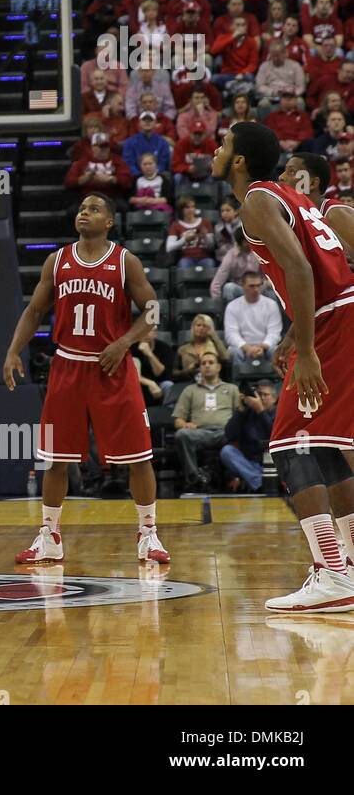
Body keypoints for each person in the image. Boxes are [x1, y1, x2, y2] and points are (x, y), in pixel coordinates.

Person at [210, 121, 354, 611]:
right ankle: (349, 566)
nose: (216, 149)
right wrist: (296, 335)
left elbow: (299, 268)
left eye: (224, 144)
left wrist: (309, 349)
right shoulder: (288, 197)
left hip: (335, 323)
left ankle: (332, 572)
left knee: (289, 446)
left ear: (241, 160)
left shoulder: (254, 199)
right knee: (327, 447)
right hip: (338, 315)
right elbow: (320, 270)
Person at [3, 193, 170, 565]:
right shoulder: (57, 259)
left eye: (94, 209)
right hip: (68, 366)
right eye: (81, 208)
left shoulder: (125, 260)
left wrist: (125, 341)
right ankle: (50, 536)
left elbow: (154, 309)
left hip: (113, 367)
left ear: (109, 221)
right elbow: (34, 311)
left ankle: (148, 534)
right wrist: (14, 350)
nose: (84, 213)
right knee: (55, 458)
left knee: (138, 455)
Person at [171, 352, 242, 490]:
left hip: (224, 432)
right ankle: (193, 478)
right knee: (181, 434)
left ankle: (235, 477)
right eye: (203, 363)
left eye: (211, 362)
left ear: (219, 367)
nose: (207, 366)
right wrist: (185, 424)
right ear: (200, 369)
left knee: (241, 433)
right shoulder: (190, 390)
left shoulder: (231, 388)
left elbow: (241, 414)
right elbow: (177, 420)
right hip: (200, 432)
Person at [222, 270, 284, 377]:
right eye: (251, 286)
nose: (256, 289)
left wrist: (263, 346)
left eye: (258, 285)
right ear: (243, 285)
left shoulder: (271, 304)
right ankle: (239, 382)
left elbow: (274, 332)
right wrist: (247, 348)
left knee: (275, 350)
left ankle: (277, 382)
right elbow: (231, 334)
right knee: (234, 352)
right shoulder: (232, 306)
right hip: (242, 347)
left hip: (265, 346)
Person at [221, 381, 277, 493]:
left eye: (265, 395)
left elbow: (273, 435)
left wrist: (261, 411)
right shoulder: (247, 413)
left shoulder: (278, 413)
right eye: (259, 395)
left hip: (273, 465)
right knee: (227, 451)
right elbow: (229, 435)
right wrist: (240, 410)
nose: (261, 398)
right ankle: (260, 483)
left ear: (275, 399)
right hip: (249, 463)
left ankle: (256, 481)